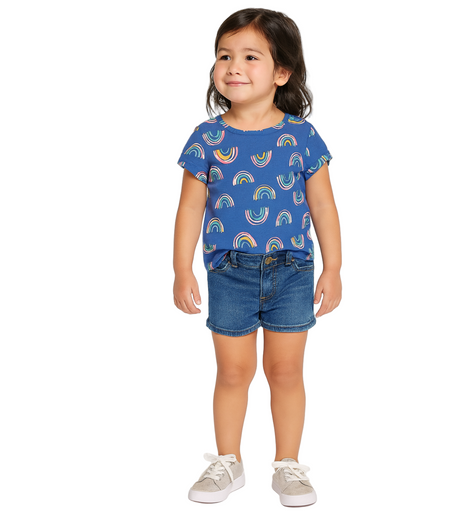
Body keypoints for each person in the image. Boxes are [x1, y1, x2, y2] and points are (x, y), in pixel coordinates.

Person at [173, 8, 342, 507]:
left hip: (292, 269)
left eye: (250, 57)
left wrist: (334, 267)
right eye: (224, 55)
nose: (233, 66)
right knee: (233, 372)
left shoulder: (301, 136)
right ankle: (228, 462)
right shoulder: (206, 137)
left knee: (286, 372)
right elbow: (189, 208)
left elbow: (323, 205)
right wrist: (181, 268)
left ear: (281, 72)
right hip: (229, 271)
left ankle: (288, 465)